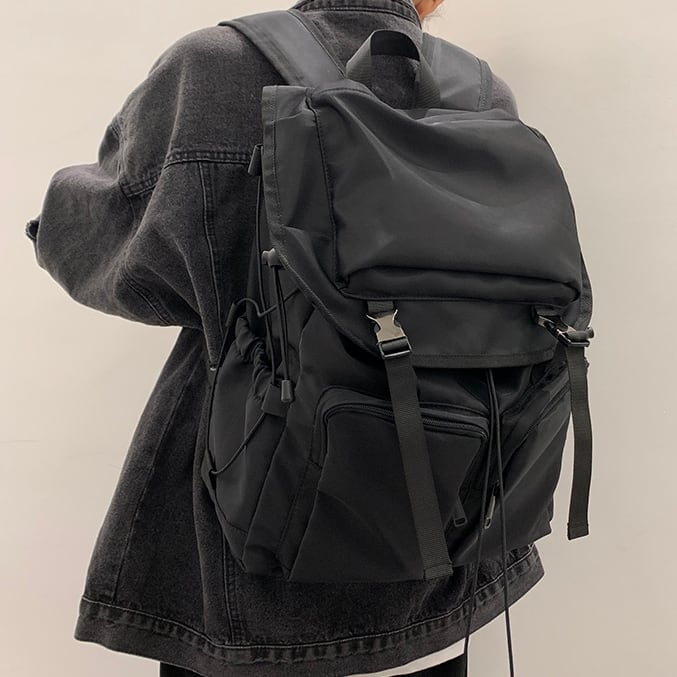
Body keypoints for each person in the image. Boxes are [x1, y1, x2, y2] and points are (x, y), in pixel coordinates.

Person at [25, 1, 544, 675]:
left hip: (248, 557)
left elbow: (116, 255)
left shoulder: (211, 67)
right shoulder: (482, 93)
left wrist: (55, 228)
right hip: (444, 540)